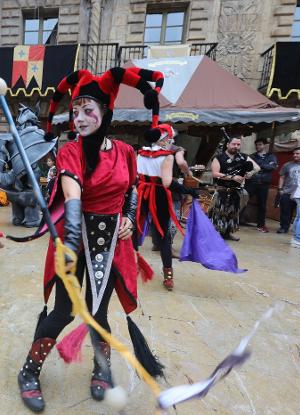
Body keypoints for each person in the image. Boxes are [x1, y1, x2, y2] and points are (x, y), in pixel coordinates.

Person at [17, 66, 165, 412]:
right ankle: (28, 372)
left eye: (88, 111)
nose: (80, 118)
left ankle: (101, 369)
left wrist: (129, 217)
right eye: (76, 111)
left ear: (105, 114)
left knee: (98, 313)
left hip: (110, 243)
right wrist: (69, 244)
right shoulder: (70, 151)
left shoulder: (126, 152)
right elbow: (73, 197)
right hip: (75, 239)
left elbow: (132, 189)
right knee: (64, 312)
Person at [136, 123, 190, 291]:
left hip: (140, 193)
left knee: (133, 230)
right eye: (169, 137)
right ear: (163, 139)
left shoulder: (140, 153)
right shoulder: (168, 156)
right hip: (158, 195)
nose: (171, 140)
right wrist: (187, 190)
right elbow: (167, 183)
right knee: (164, 236)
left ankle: (127, 267)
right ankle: (168, 276)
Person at [210, 136, 259, 241]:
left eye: (238, 144)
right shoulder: (219, 157)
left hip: (236, 190)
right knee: (218, 213)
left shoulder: (243, 157)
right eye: (234, 144)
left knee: (233, 213)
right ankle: (214, 235)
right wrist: (232, 177)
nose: (236, 146)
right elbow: (215, 174)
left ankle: (227, 234)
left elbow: (257, 167)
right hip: (222, 189)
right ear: (228, 144)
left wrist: (249, 173)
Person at [245, 138, 278, 232]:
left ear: (264, 145)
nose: (257, 146)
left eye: (260, 144)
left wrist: (258, 166)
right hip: (251, 182)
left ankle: (261, 225)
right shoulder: (251, 156)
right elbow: (248, 167)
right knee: (242, 200)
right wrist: (263, 165)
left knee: (262, 205)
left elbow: (272, 167)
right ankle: (236, 220)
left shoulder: (271, 156)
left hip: (264, 183)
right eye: (256, 145)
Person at [277, 147, 300, 234]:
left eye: (297, 153)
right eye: (294, 153)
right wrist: (280, 189)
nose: (295, 155)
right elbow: (282, 176)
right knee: (285, 212)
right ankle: (284, 227)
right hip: (288, 192)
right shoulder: (287, 165)